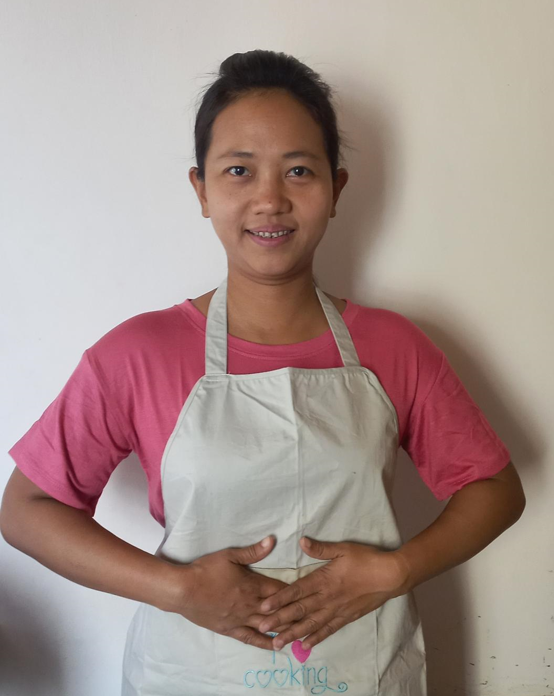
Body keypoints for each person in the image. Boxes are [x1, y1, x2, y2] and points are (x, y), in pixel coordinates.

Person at [1, 49, 525, 696]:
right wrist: (178, 588)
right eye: (239, 170)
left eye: (299, 170)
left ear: (337, 189)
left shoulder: (394, 346)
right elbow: (27, 509)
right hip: (193, 676)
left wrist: (398, 571)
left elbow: (495, 490)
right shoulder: (139, 353)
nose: (270, 199)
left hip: (362, 671)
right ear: (201, 189)